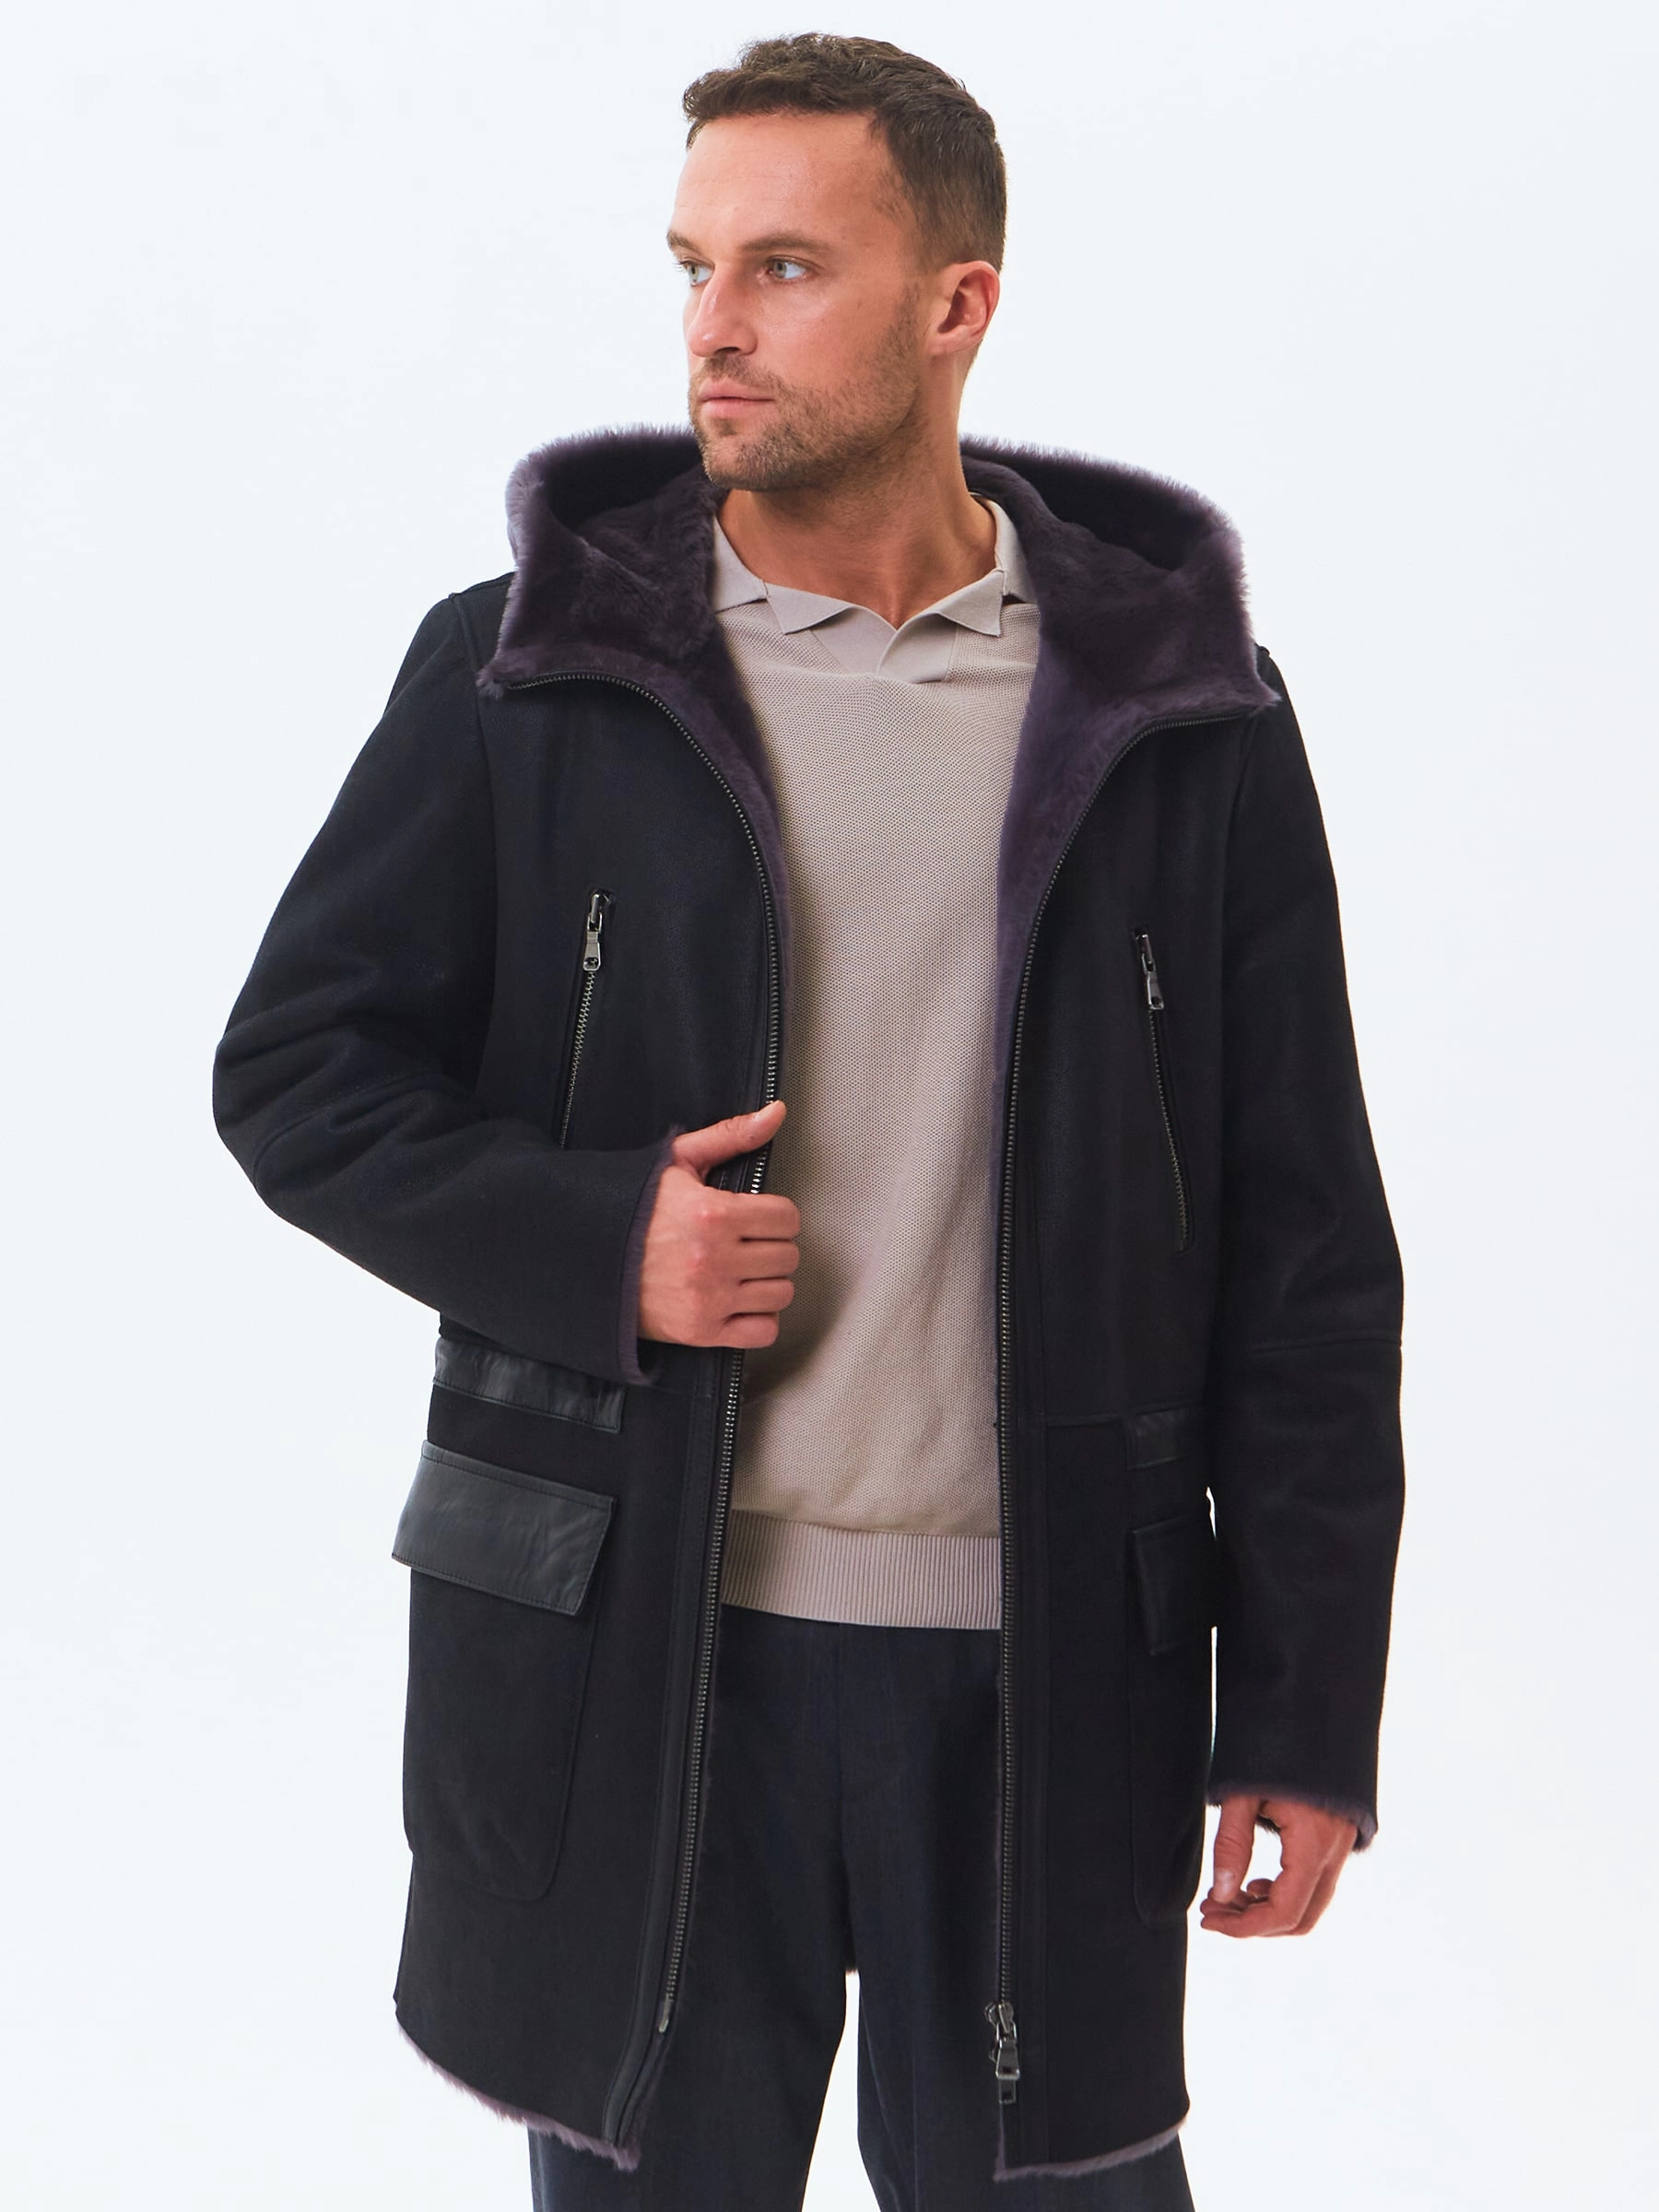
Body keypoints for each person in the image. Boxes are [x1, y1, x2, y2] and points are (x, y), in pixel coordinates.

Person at [212, 31, 1405, 2212]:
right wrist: (602, 1240)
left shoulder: (1176, 713)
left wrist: (1309, 1709)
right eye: (692, 267)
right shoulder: (528, 673)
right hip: (644, 1664)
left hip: (1053, 1676)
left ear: (957, 303)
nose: (714, 328)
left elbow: (1305, 1241)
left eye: (783, 267)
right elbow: (296, 1073)